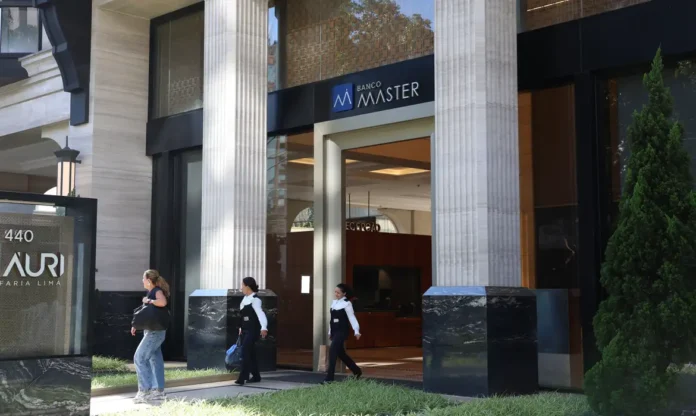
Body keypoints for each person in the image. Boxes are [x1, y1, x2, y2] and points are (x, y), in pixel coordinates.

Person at [131, 269, 170, 404]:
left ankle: (145, 391)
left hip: (154, 333)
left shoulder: (156, 291)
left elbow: (162, 302)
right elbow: (147, 314)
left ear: (148, 280)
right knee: (155, 360)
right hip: (154, 331)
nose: (142, 281)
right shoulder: (151, 292)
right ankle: (158, 392)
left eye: (143, 279)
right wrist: (136, 325)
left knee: (140, 357)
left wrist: (149, 300)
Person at [324, 283, 362, 383]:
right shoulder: (334, 303)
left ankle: (329, 378)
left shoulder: (347, 304)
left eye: (338, 292)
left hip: (342, 330)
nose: (336, 294)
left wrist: (356, 331)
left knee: (332, 351)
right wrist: (330, 331)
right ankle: (357, 371)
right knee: (341, 354)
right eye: (335, 292)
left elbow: (352, 318)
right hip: (335, 330)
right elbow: (331, 320)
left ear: (344, 293)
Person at [235, 277, 269, 386]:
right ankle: (256, 376)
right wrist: (240, 328)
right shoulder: (244, 299)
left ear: (248, 286)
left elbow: (260, 314)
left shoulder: (255, 300)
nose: (241, 288)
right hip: (245, 330)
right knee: (251, 353)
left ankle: (242, 377)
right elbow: (242, 316)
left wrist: (264, 327)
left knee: (245, 351)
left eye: (242, 285)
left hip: (253, 330)